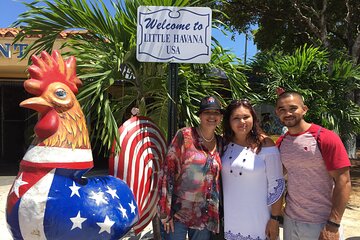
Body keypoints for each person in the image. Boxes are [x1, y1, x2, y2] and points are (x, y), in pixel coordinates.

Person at [275, 91, 352, 240]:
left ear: (304, 109)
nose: (288, 113)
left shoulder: (325, 137)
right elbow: (277, 178)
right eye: (282, 109)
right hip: (291, 222)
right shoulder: (281, 143)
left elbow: (344, 181)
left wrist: (333, 224)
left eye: (293, 108)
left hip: (321, 223)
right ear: (277, 112)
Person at [158, 96, 224, 240]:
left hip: (205, 216)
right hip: (178, 213)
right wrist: (164, 212)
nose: (212, 116)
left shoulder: (220, 142)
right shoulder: (185, 136)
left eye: (216, 113)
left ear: (220, 117)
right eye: (207, 112)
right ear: (200, 115)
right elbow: (168, 172)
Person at [221, 99, 285, 240]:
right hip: (231, 221)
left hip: (259, 222)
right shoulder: (223, 144)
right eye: (236, 118)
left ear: (253, 119)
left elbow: (277, 186)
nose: (242, 122)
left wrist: (275, 219)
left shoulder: (266, 145)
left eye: (246, 117)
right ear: (229, 121)